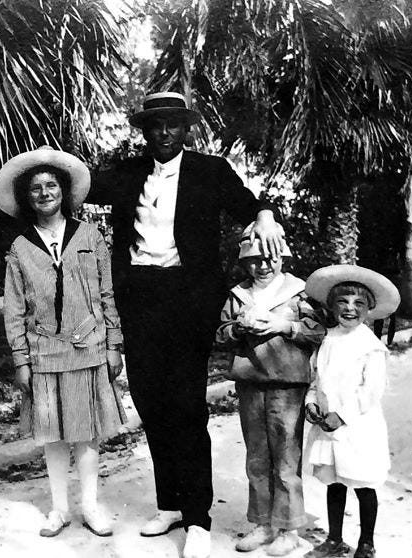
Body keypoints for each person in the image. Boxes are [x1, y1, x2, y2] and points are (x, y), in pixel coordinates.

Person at [86, 91, 285, 558]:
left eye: (172, 124)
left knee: (187, 406)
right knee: (151, 401)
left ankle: (198, 517)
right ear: (144, 131)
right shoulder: (128, 174)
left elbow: (248, 203)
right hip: (139, 297)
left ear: (186, 128)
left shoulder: (210, 171)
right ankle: (169, 503)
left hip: (188, 301)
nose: (163, 132)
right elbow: (77, 186)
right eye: (154, 125)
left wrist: (265, 214)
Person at [0, 146, 126, 539]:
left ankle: (90, 507)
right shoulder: (20, 248)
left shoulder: (90, 235)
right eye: (35, 188)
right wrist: (21, 359)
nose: (44, 193)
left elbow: (107, 294)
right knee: (52, 435)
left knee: (85, 433)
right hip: (43, 353)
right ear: (25, 196)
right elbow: (14, 308)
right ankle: (59, 509)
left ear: (64, 191)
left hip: (87, 349)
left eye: (52, 185)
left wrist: (114, 343)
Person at [215, 224, 325, 555]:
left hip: (288, 386)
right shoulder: (238, 295)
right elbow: (220, 333)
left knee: (286, 460)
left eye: (271, 257)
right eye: (255, 260)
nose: (263, 266)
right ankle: (263, 523)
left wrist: (285, 326)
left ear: (284, 258)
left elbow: (319, 330)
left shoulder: (300, 292)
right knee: (257, 458)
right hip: (251, 384)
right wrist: (238, 327)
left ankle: (289, 528)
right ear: (244, 263)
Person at [302, 265, 401, 558]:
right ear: (331, 307)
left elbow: (370, 391)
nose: (349, 309)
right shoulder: (326, 340)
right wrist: (310, 403)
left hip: (358, 427)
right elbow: (315, 379)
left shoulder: (370, 346)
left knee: (363, 484)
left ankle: (367, 543)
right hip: (328, 426)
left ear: (369, 309)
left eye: (358, 304)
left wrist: (341, 415)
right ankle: (334, 539)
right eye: (342, 303)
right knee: (334, 483)